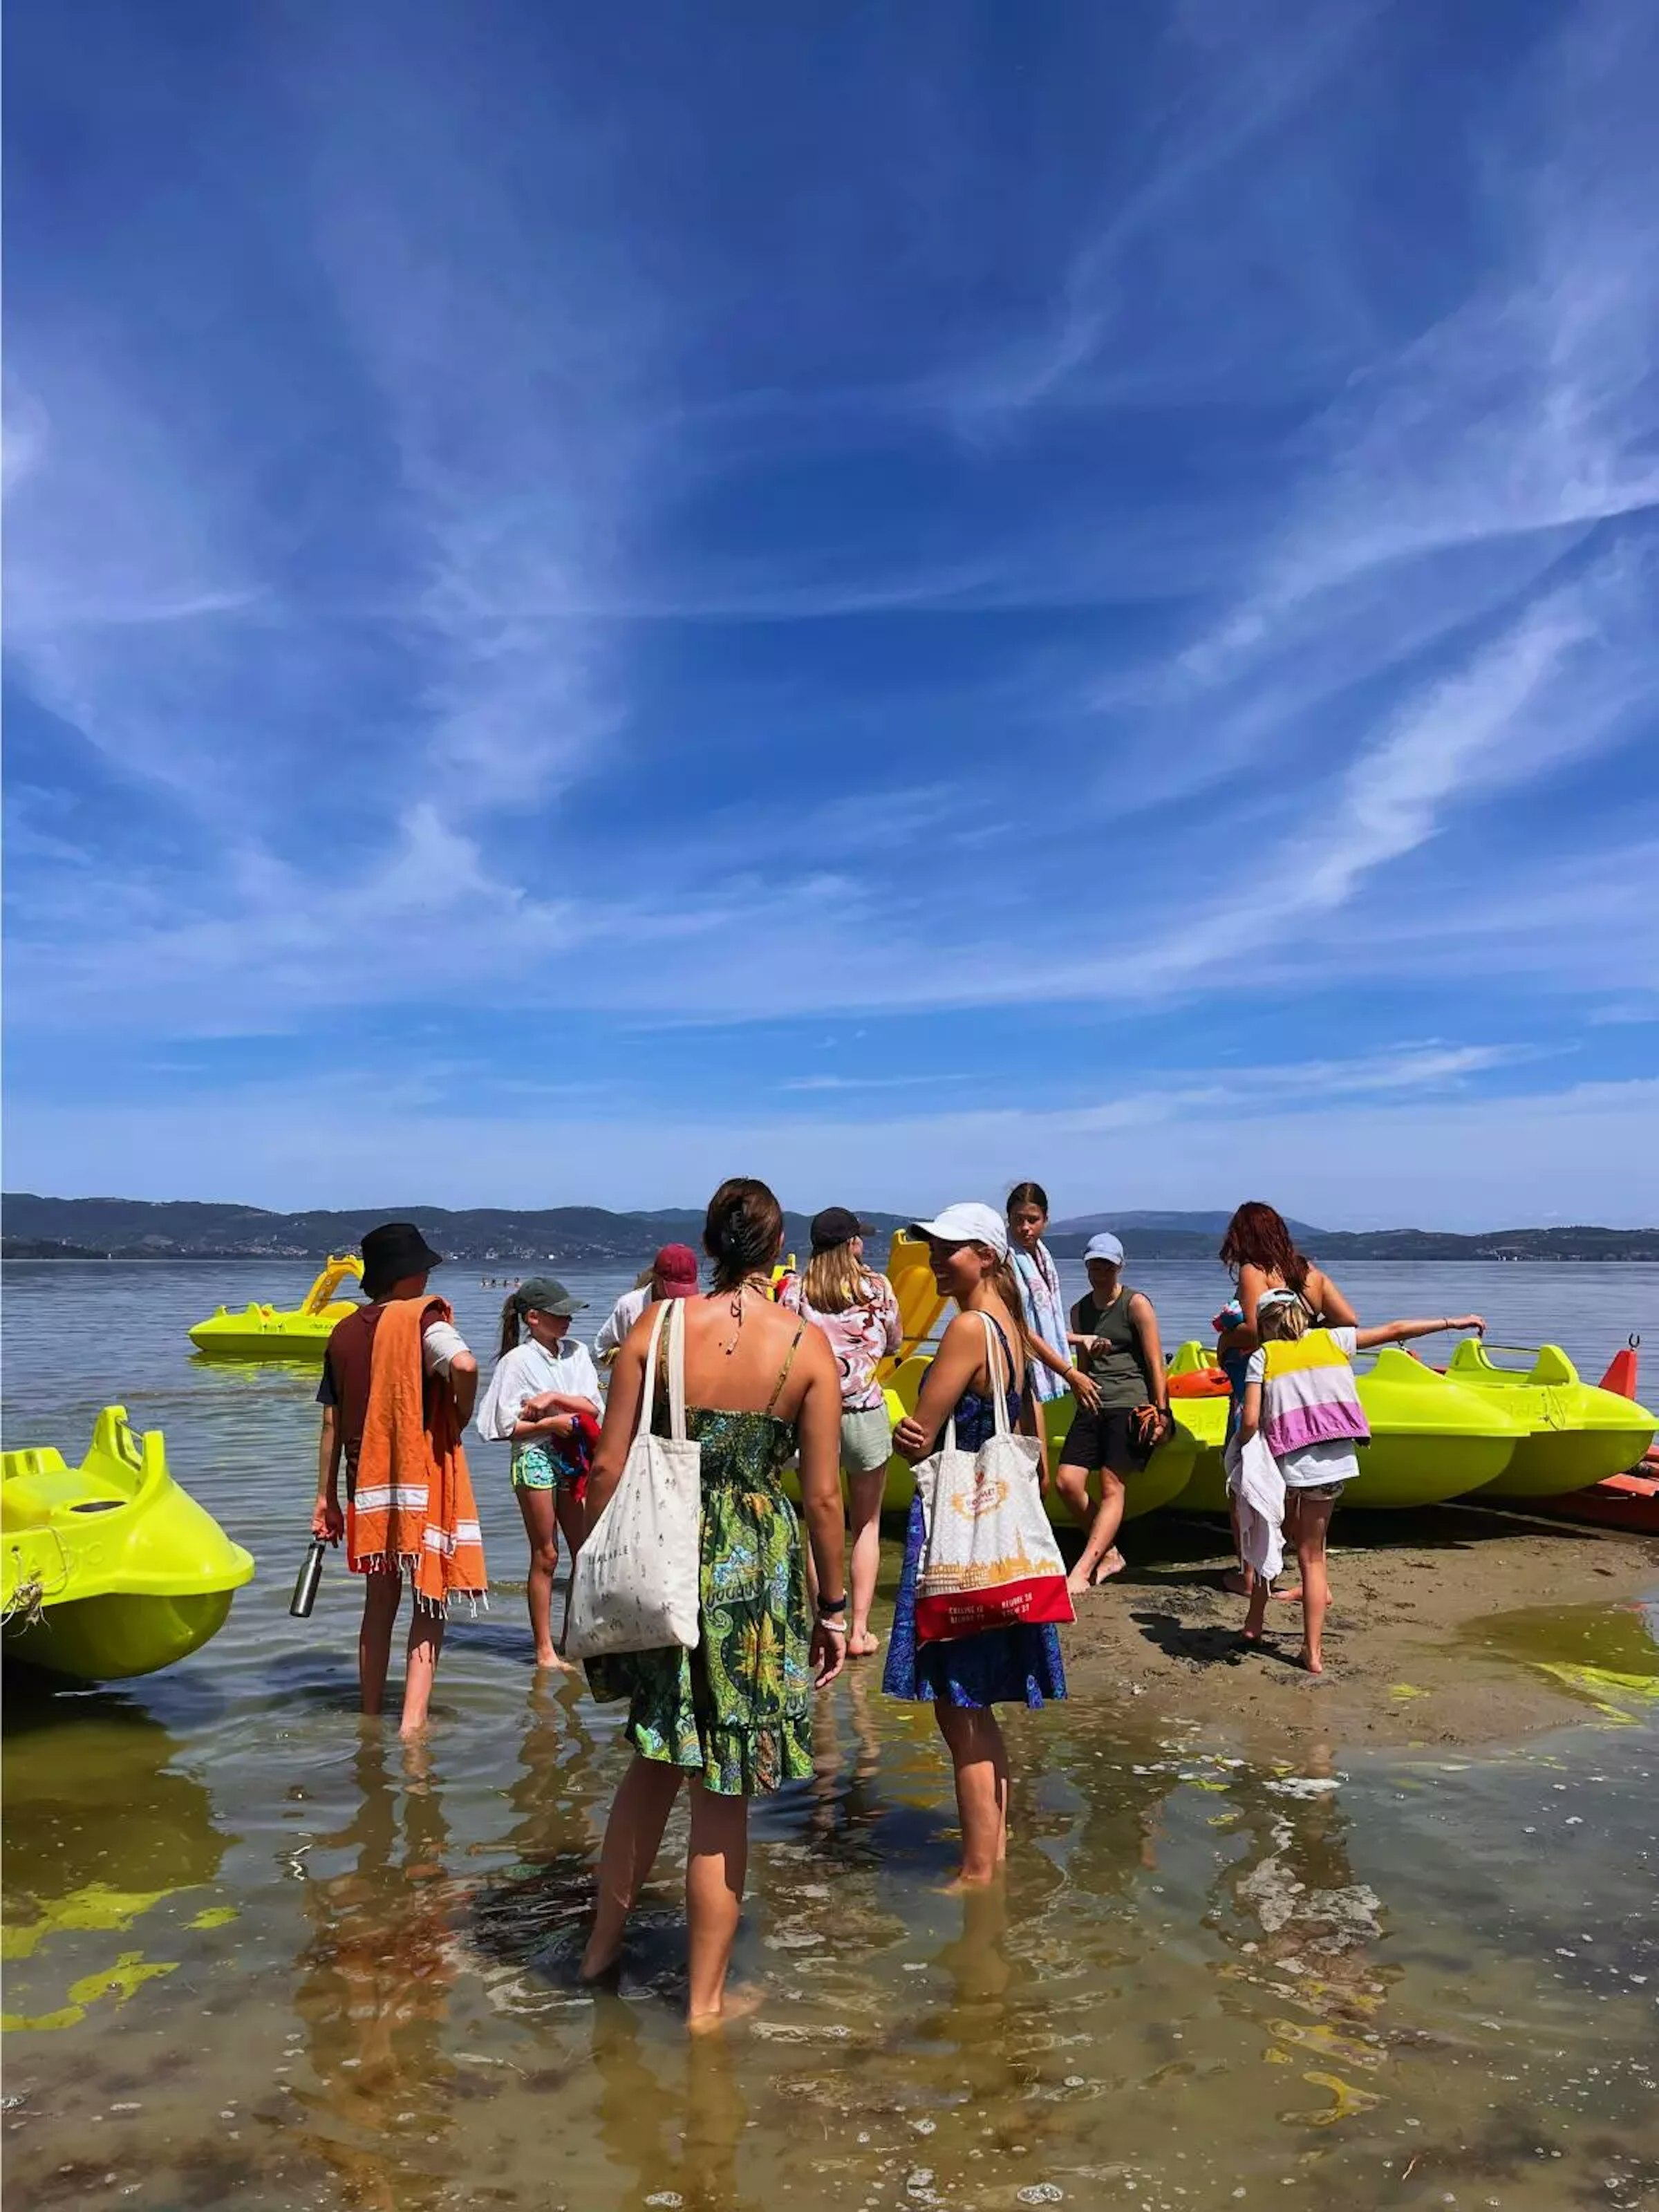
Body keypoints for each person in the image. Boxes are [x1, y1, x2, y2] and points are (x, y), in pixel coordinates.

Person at [580, 1178, 847, 2030]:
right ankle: (702, 2006)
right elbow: (824, 1498)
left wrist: (588, 1567)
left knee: (653, 1762)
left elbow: (608, 1469)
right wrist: (834, 1604)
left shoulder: (653, 1329)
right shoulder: (808, 1347)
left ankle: (598, 1953)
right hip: (755, 1572)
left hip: (664, 1554)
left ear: (711, 1239)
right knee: (723, 1789)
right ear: (777, 1251)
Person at [885, 1201, 1065, 1890]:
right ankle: (994, 1855)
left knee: (957, 1702)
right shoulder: (1009, 1328)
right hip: (999, 1530)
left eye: (948, 1247)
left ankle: (976, 1868)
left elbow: (923, 1433)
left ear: (985, 1254)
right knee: (979, 1704)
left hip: (960, 1532)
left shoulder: (965, 1328)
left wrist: (899, 1426)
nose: (935, 1257)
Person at [1238, 1296, 1485, 1671]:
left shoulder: (1264, 1357)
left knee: (1268, 1541)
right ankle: (1313, 1652)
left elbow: (1252, 1421)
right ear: (1302, 1316)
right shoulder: (1334, 1341)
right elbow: (1395, 1330)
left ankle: (1255, 1623)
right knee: (1313, 1557)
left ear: (1265, 1325)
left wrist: (1241, 1453)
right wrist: (1454, 1321)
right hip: (1334, 1466)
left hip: (1286, 1466)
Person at [312, 1222, 484, 1738]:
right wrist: (462, 1411)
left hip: (363, 1476)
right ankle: (412, 1725)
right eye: (424, 1268)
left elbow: (330, 1422)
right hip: (418, 1474)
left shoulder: (342, 1332)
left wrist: (324, 1499)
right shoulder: (422, 1320)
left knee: (378, 1601)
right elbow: (466, 1363)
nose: (430, 1276)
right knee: (428, 1597)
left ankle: (369, 1715)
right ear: (406, 1275)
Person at [779, 1206, 902, 1659]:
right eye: (859, 1239)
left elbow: (782, 1348)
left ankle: (827, 1621)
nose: (863, 1245)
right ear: (851, 1244)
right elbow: (892, 1343)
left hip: (814, 1417)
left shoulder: (794, 1292)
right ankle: (860, 1633)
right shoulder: (879, 1288)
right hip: (865, 1411)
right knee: (866, 1524)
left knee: (818, 1521)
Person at [475, 1277, 602, 1673]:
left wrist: (551, 1402)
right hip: (534, 1457)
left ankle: (571, 1637)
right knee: (546, 1553)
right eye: (558, 1314)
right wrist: (554, 1425)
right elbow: (501, 1427)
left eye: (568, 1314)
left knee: (584, 1552)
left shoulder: (577, 1353)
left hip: (573, 1456)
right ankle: (544, 1649)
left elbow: (592, 1407)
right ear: (533, 1318)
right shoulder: (516, 1362)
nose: (567, 1321)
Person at [1053, 1232, 1172, 1593]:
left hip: (1130, 1404)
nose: (1099, 1271)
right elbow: (1084, 1365)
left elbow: (1155, 1360)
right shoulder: (1080, 1311)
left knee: (1111, 1486)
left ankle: (1084, 1567)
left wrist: (1162, 1412)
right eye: (1094, 1264)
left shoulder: (1135, 1304)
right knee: (1067, 1483)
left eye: (1106, 1264)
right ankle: (1109, 1553)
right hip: (1093, 1404)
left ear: (1119, 1266)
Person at [1005, 1183, 1100, 1409]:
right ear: (1008, 1218)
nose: (1025, 1228)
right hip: (1015, 1366)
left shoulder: (1042, 1258)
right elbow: (1018, 1326)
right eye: (1018, 1220)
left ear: (1045, 1220)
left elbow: (1047, 1328)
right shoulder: (1004, 1259)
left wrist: (1081, 1339)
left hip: (1034, 1362)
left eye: (1033, 1220)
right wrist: (1068, 1372)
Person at [1219, 1202, 1358, 1346]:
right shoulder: (1307, 1269)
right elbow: (1348, 1320)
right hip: (1308, 1360)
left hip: (1273, 1363)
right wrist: (1306, 1334)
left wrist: (1227, 1335)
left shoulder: (1253, 1271)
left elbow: (1254, 1331)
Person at [594, 1244, 700, 1366]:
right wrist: (636, 1356)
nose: (679, 1298)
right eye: (674, 1289)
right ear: (656, 1277)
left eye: (686, 1289)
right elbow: (602, 1350)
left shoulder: (699, 1305)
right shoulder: (630, 1306)